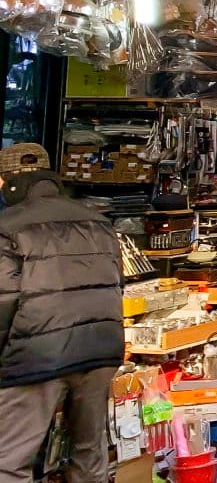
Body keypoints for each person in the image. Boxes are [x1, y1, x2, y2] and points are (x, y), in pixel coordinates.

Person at [0, 167, 124, 483]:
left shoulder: (7, 227)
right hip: (99, 348)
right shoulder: (99, 222)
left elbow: (4, 301)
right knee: (89, 451)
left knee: (10, 462)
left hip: (34, 354)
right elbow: (117, 284)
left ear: (10, 183)